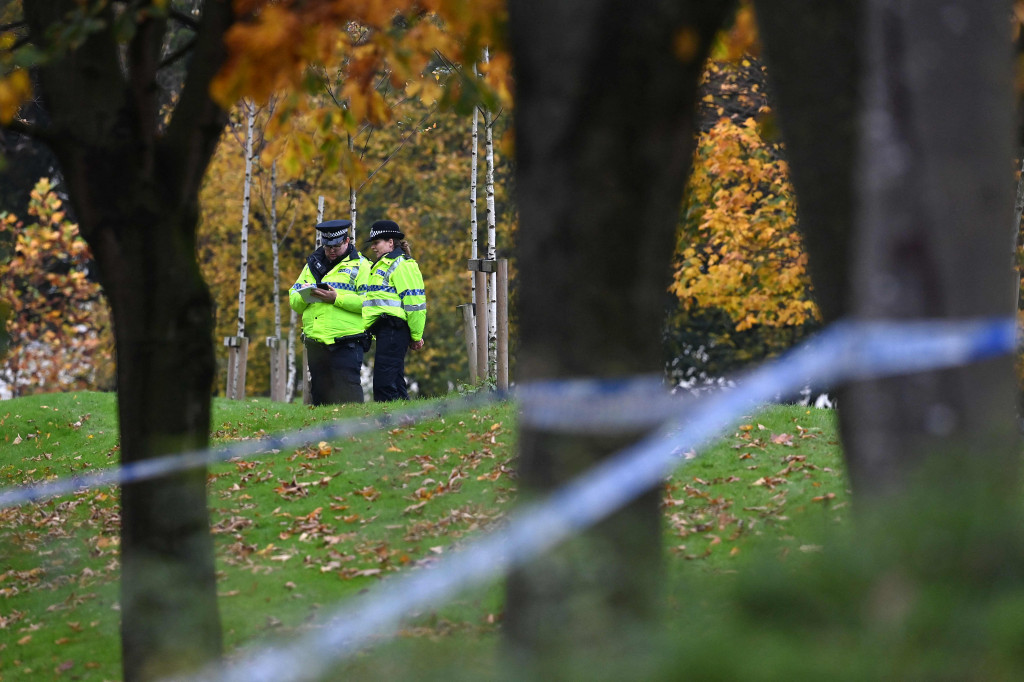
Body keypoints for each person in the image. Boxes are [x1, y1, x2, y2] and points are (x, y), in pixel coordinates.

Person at [289, 219, 370, 405]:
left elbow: (369, 303)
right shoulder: (312, 265)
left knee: (348, 398)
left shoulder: (361, 266)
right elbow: (293, 299)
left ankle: (355, 434)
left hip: (347, 342)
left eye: (336, 246)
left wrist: (336, 298)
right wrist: (305, 294)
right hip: (316, 344)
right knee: (320, 400)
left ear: (347, 241)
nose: (331, 251)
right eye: (327, 247)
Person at [362, 220, 427, 401]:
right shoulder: (381, 265)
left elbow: (415, 304)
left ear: (391, 242)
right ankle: (404, 422)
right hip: (385, 330)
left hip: (394, 329)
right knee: (395, 382)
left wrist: (416, 336)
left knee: (384, 385)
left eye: (376, 243)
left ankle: (387, 424)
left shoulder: (402, 264)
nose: (373, 247)